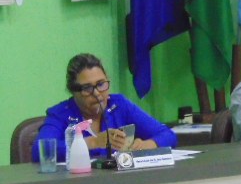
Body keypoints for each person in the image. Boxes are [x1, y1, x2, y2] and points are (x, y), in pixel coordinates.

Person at [32, 53, 176, 162]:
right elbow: (40, 150)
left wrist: (148, 144)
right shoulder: (61, 114)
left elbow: (168, 135)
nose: (97, 93)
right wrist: (93, 142)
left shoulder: (119, 105)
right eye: (87, 88)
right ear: (73, 91)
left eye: (101, 84)